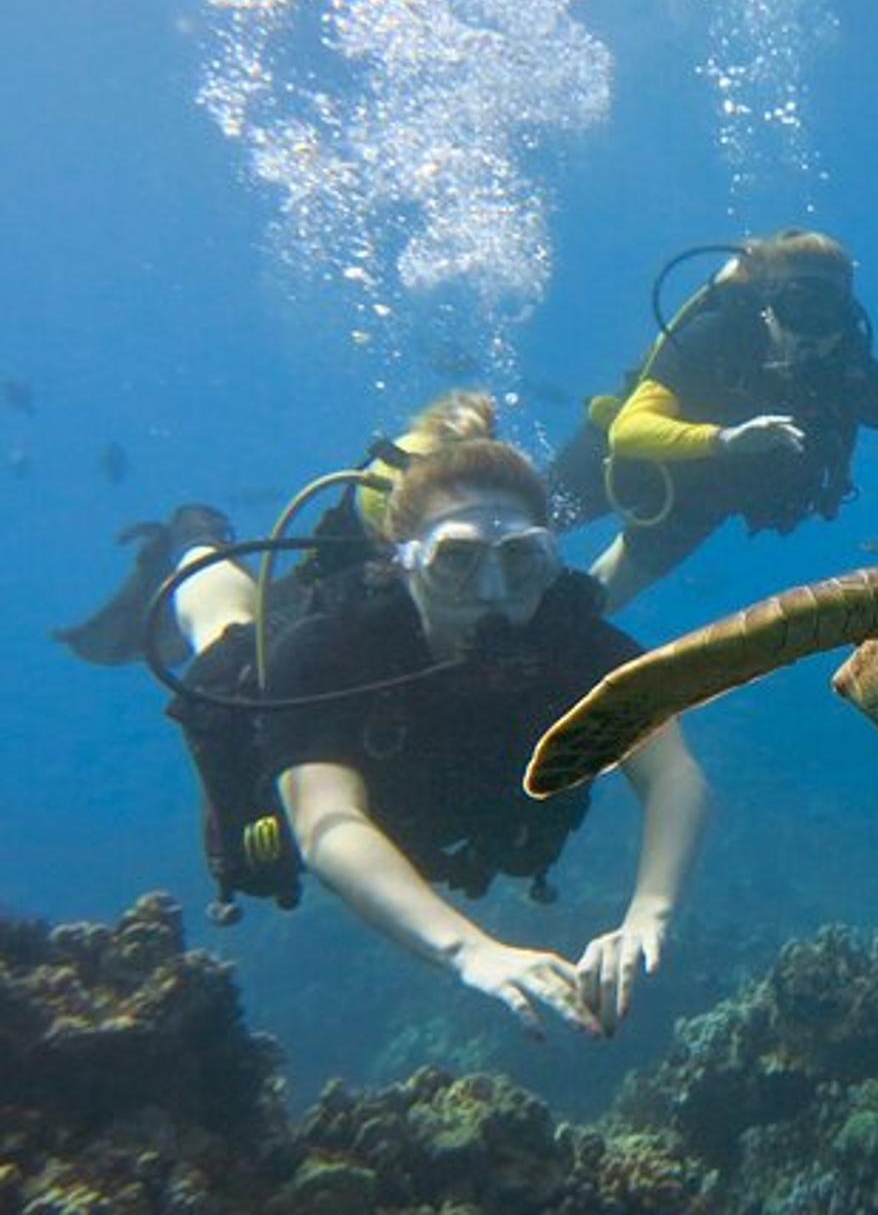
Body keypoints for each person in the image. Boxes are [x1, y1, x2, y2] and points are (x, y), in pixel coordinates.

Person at [56, 394, 709, 1038]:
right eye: (455, 560)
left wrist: (649, 913)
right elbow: (326, 823)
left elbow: (673, 775)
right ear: (402, 562)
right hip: (321, 711)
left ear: (548, 559)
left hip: (437, 803)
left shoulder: (576, 644)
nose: (492, 592)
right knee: (229, 633)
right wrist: (468, 950)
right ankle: (198, 542)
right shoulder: (328, 649)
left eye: (520, 560)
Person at [549, 228, 878, 610]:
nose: (813, 333)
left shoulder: (850, 372)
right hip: (617, 461)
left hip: (701, 496)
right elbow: (629, 432)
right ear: (768, 305)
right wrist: (725, 440)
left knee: (591, 608)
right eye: (799, 309)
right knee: (514, 526)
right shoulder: (718, 335)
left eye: (830, 316)